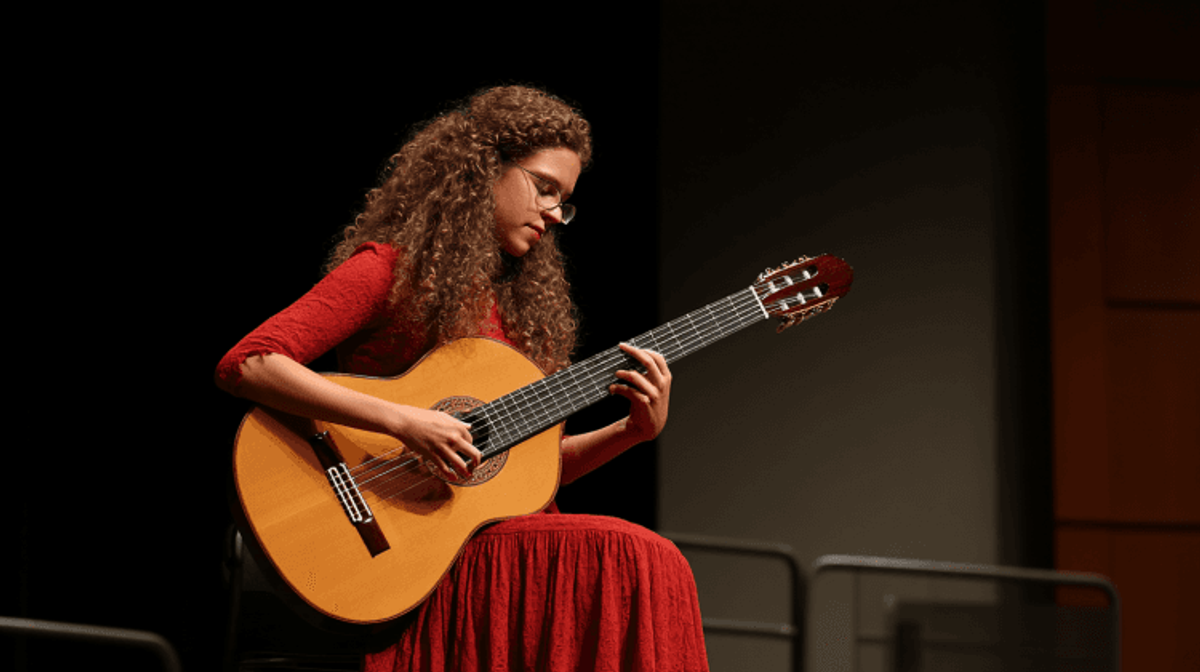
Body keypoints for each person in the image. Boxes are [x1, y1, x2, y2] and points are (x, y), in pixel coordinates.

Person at [215, 85, 709, 671]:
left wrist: (631, 432)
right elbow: (249, 362)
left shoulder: (520, 317)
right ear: (483, 170)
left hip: (482, 542)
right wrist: (406, 421)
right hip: (397, 541)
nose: (555, 212)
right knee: (637, 554)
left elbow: (522, 479)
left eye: (565, 200)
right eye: (544, 187)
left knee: (643, 556)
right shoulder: (391, 271)